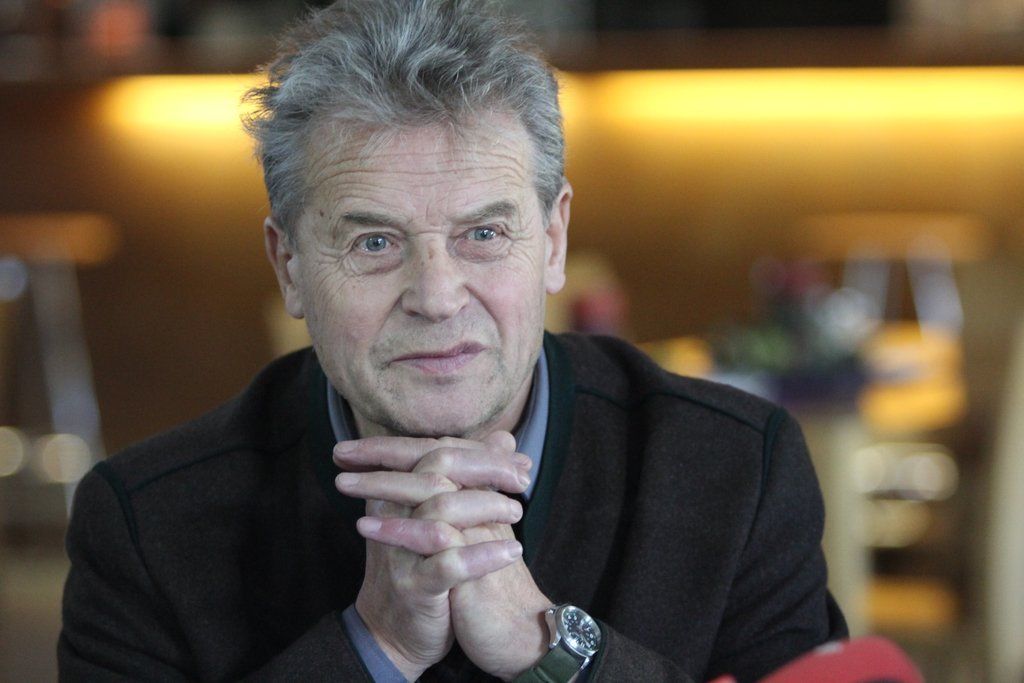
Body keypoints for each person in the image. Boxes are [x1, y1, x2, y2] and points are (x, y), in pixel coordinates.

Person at [58, 0, 847, 681]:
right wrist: (376, 643)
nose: (437, 298)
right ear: (288, 264)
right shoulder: (145, 525)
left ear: (553, 240)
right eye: (374, 242)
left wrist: (551, 648)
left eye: (483, 234)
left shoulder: (736, 470)